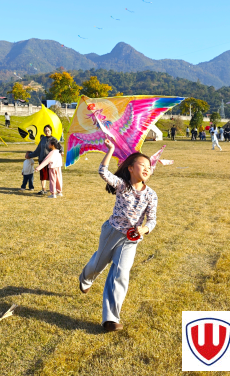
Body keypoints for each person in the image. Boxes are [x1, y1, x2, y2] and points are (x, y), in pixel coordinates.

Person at [79, 139, 157, 332]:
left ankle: (110, 319)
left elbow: (152, 220)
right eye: (142, 165)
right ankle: (86, 279)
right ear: (130, 168)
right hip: (112, 232)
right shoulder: (122, 185)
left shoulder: (151, 195)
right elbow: (103, 172)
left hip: (131, 239)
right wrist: (111, 149)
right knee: (99, 264)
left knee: (120, 274)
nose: (147, 169)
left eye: (149, 167)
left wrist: (144, 229)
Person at [27, 125, 53, 194]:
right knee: (43, 175)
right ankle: (43, 189)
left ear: (51, 131)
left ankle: (53, 189)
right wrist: (30, 155)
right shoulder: (43, 139)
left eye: (48, 131)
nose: (47, 132)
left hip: (50, 160)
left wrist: (61, 152)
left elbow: (59, 148)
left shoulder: (53, 139)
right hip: (42, 159)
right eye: (45, 131)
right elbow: (38, 150)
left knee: (52, 175)